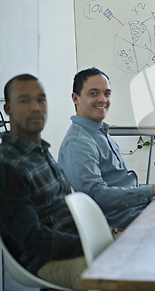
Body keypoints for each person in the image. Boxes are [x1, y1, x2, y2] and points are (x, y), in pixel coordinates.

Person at [58, 68, 155, 229]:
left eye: (107, 94)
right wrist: (154, 190)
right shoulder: (78, 142)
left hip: (138, 211)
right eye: (93, 93)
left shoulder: (100, 133)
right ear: (76, 98)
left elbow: (123, 185)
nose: (102, 99)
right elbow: (97, 195)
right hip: (124, 223)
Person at [0, 74, 86, 290]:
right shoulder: (8, 165)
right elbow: (32, 239)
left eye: (41, 99)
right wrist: (90, 243)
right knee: (126, 272)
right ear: (8, 109)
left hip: (74, 244)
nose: (36, 107)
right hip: (45, 260)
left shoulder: (39, 152)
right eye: (24, 100)